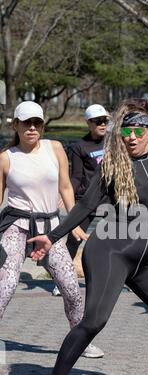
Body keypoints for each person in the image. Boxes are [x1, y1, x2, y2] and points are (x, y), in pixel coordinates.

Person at [28, 101, 148, 375]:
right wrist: (53, 237)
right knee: (94, 321)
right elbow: (84, 207)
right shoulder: (112, 166)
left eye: (138, 131)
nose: (132, 137)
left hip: (146, 261)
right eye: (126, 132)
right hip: (110, 252)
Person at [0, 101, 103, 358]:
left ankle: (81, 341)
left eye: (37, 123)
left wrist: (76, 222)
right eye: (26, 123)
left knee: (71, 288)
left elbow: (66, 188)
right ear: (16, 125)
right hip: (17, 225)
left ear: (43, 126)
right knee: (6, 284)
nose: (32, 128)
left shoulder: (54, 148)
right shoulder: (6, 158)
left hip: (51, 228)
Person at [52, 104, 110, 297]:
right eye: (98, 121)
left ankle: (113, 277)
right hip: (86, 199)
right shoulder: (79, 147)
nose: (103, 124)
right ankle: (63, 279)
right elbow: (76, 176)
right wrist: (66, 195)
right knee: (73, 240)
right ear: (88, 123)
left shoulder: (114, 141)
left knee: (113, 239)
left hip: (110, 199)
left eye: (105, 120)